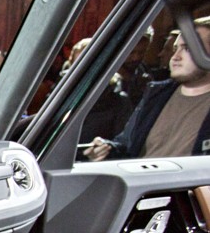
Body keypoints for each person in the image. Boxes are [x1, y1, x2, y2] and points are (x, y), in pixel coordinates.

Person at [83, 17, 210, 161]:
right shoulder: (157, 94)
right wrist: (106, 149)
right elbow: (126, 144)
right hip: (138, 180)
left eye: (187, 48)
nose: (175, 57)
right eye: (176, 48)